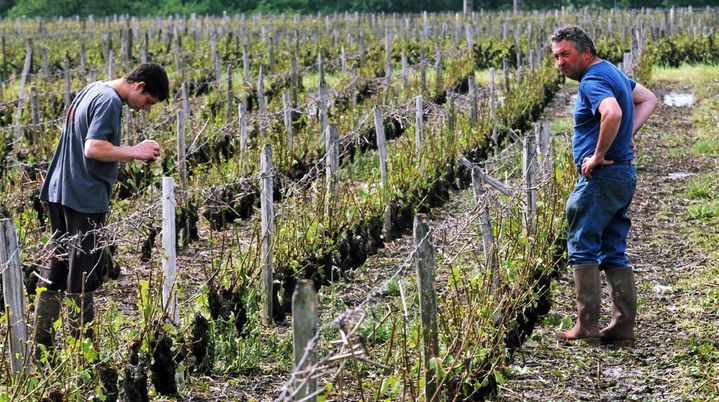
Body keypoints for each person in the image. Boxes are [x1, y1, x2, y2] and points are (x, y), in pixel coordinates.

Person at [34, 63, 169, 359]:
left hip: (59, 190)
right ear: (140, 86)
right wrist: (136, 151)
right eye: (147, 102)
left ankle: (41, 348)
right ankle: (84, 354)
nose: (144, 109)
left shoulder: (92, 89)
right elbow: (94, 148)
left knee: (56, 269)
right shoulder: (109, 101)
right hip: (83, 197)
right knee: (83, 276)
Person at [551, 27, 657, 346]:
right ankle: (623, 326)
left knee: (582, 243)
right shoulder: (611, 70)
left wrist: (597, 154)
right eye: (556, 56)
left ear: (585, 52)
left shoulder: (593, 80)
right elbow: (648, 98)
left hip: (603, 177)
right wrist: (627, 137)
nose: (560, 62)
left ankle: (586, 326)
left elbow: (612, 112)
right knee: (613, 248)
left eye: (565, 54)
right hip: (623, 174)